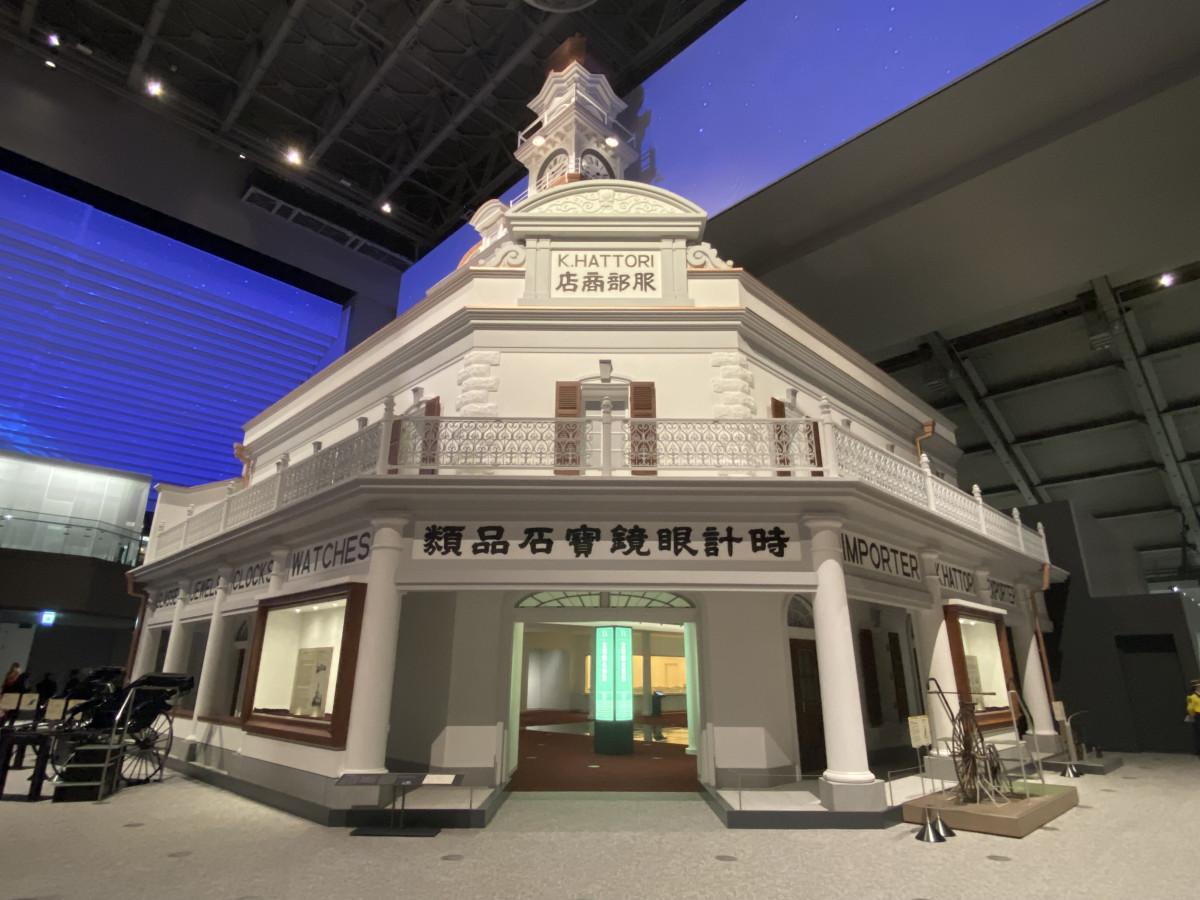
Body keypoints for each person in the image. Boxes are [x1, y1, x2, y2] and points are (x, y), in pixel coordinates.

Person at [1188, 679, 1200, 757]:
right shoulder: (1192, 697)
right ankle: (1198, 750)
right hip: (1198, 715)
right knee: (1198, 733)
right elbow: (1190, 708)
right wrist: (1192, 715)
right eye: (1198, 686)